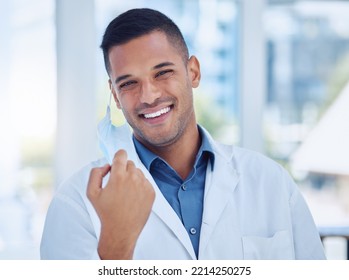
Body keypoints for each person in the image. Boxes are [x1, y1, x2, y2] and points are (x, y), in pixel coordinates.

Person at [40, 8, 326, 260]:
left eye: (163, 73)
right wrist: (116, 249)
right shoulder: (75, 204)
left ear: (193, 72)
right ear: (114, 95)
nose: (149, 96)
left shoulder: (270, 181)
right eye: (128, 84)